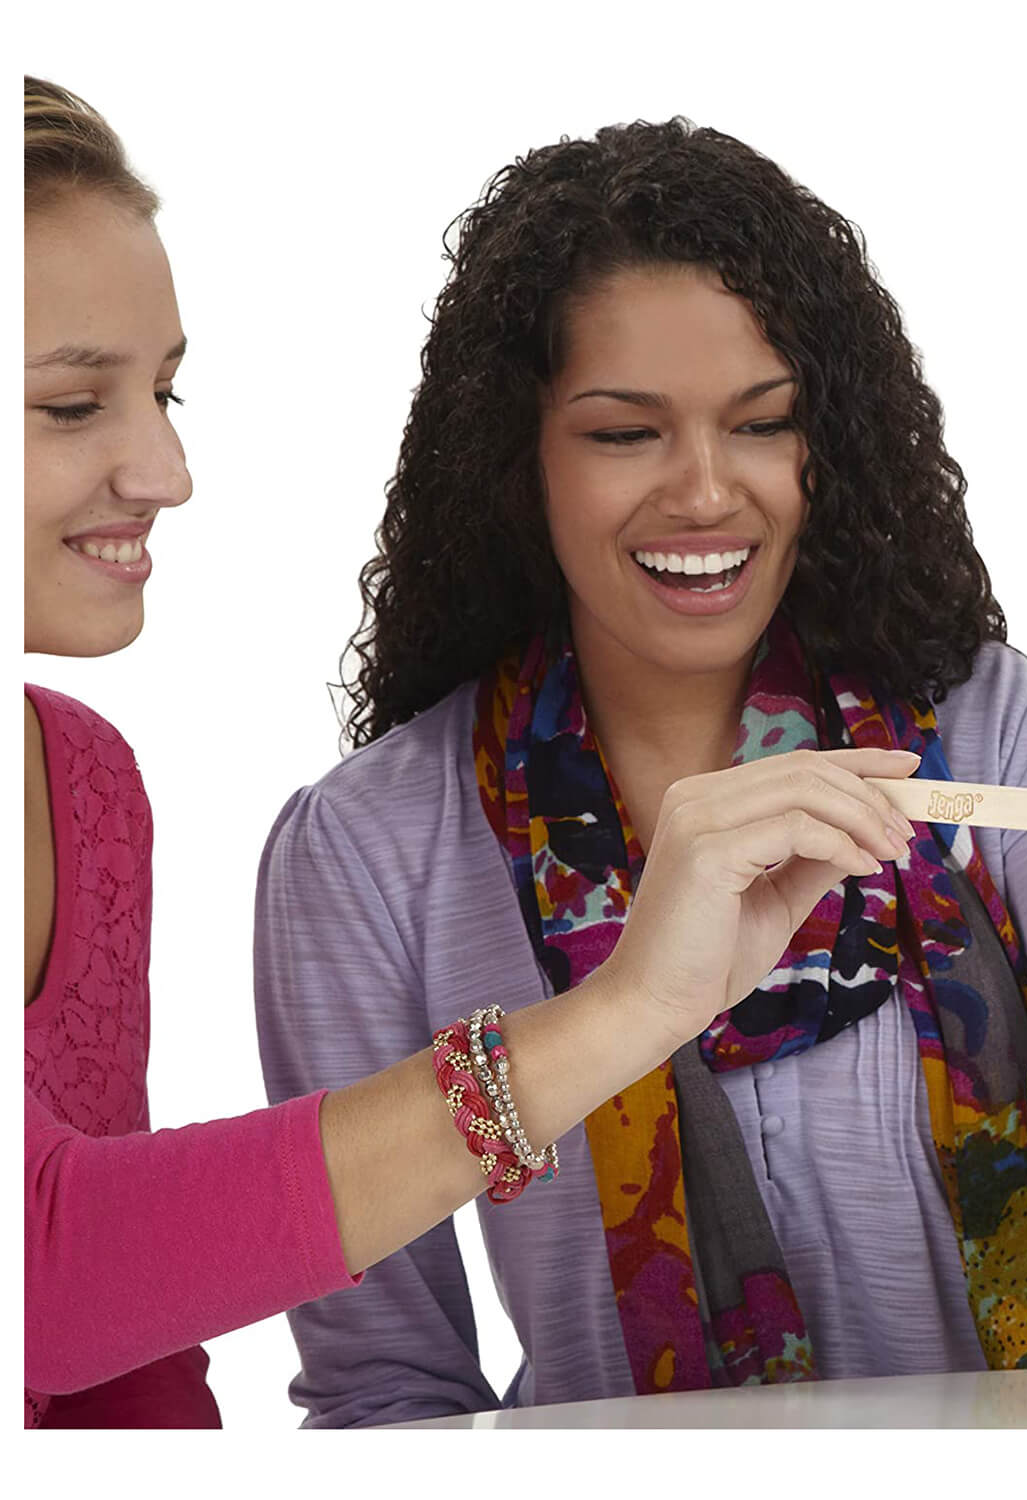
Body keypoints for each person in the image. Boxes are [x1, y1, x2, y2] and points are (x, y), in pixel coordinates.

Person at [253, 117, 1027, 1425]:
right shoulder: (365, 853)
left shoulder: (996, 731)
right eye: (622, 435)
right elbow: (384, 1390)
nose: (708, 491)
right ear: (513, 460)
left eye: (765, 424)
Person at [22, 80, 877, 1429]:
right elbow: (46, 1272)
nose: (166, 470)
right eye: (70, 407)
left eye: (168, 392)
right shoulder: (369, 844)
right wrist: (623, 1014)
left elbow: (124, 1356)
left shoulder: (83, 781)